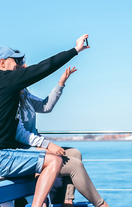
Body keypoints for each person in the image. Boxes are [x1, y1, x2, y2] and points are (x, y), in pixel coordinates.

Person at [0, 35, 89, 207]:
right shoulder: (7, 79)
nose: (18, 65)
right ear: (3, 63)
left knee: (49, 159)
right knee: (54, 160)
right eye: (14, 60)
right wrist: (75, 50)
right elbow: (42, 68)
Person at [14, 58, 107, 207]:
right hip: (25, 151)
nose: (26, 66)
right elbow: (19, 134)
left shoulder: (25, 94)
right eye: (21, 63)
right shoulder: (11, 98)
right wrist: (45, 145)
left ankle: (67, 201)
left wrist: (61, 83)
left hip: (36, 147)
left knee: (75, 153)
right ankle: (101, 205)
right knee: (74, 164)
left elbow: (46, 106)